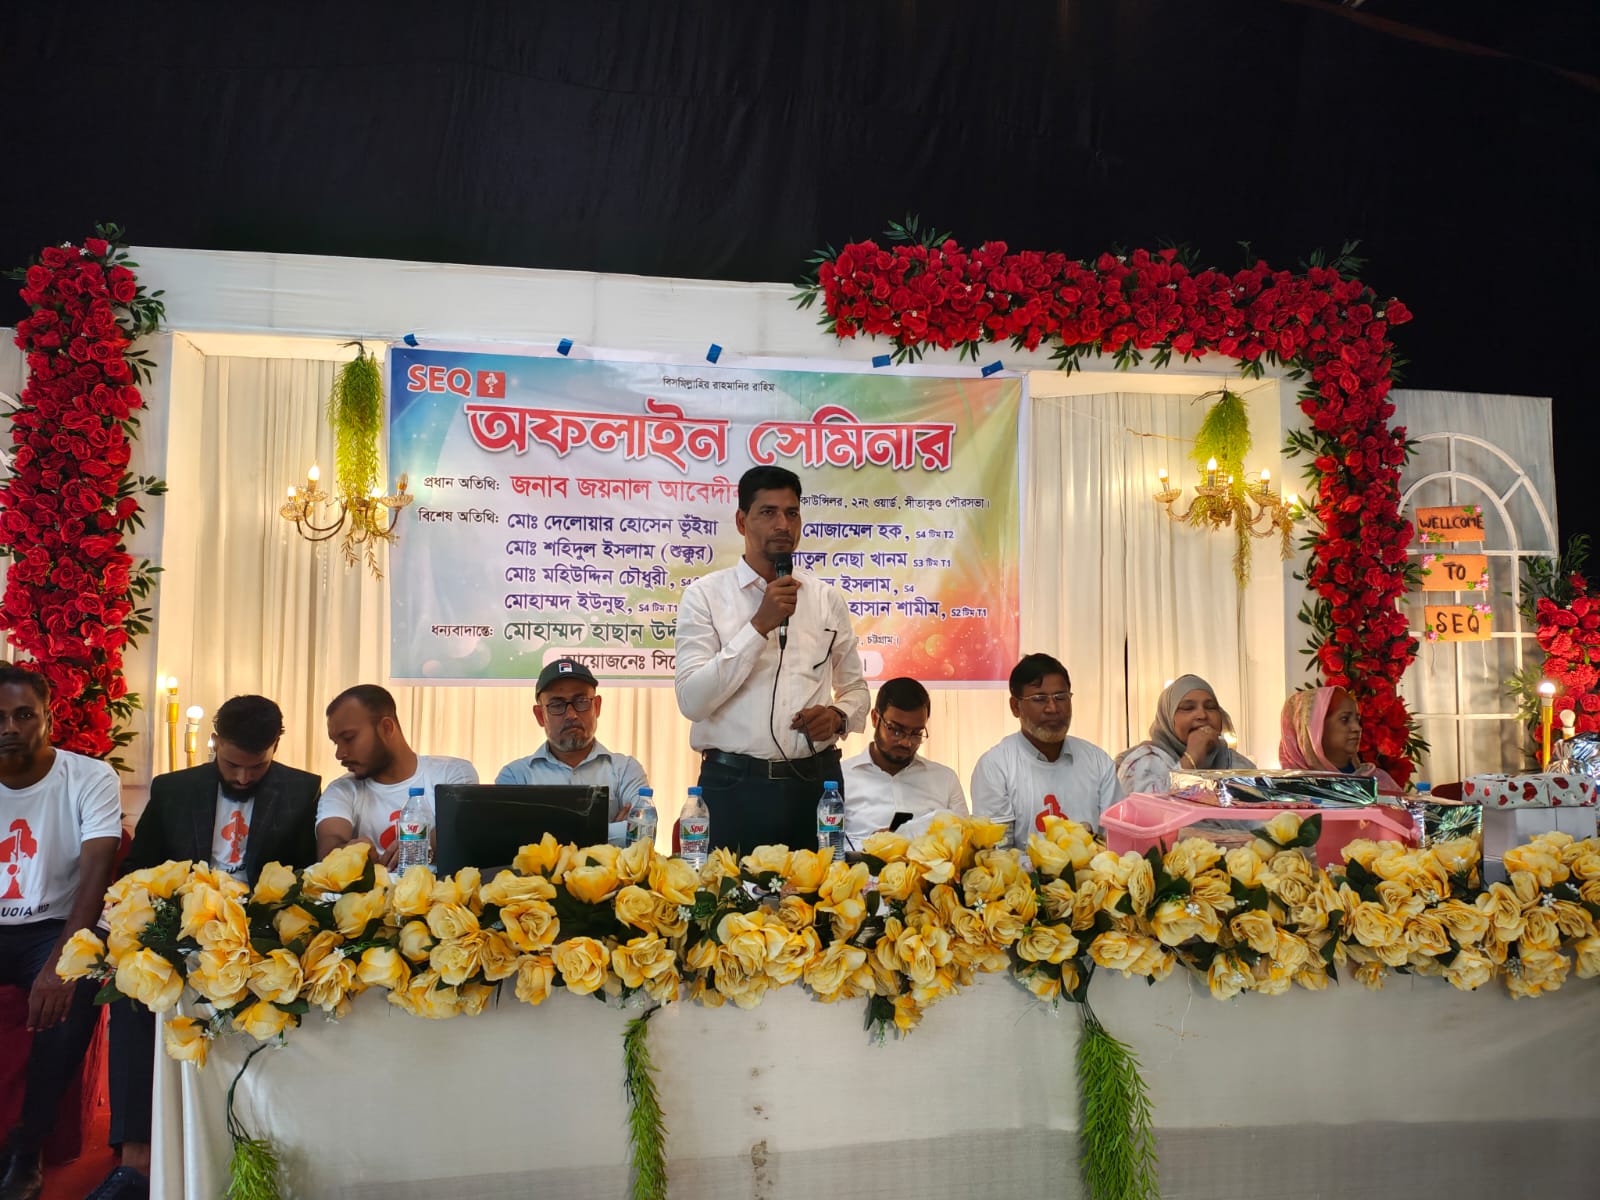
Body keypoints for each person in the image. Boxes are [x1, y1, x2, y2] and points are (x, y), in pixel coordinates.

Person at [94, 695, 320, 1200]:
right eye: (232, 764)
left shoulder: (303, 789)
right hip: (179, 928)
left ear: (277, 746)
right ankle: (135, 1157)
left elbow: (305, 878)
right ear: (215, 742)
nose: (242, 777)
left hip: (259, 936)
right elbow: (139, 869)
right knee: (132, 994)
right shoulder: (173, 789)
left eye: (256, 767)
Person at [673, 465, 869, 853]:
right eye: (768, 512)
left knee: (818, 892)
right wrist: (759, 625)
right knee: (727, 892)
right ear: (741, 521)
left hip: (815, 786)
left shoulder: (826, 599)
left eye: (791, 513)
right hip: (733, 786)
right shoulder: (705, 596)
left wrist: (838, 716)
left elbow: (856, 690)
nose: (783, 524)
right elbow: (692, 701)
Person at [0, 664, 121, 1200]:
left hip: (56, 924)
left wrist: (62, 963)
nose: (10, 727)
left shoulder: (90, 778)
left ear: (49, 719)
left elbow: (96, 876)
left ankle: (27, 1148)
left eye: (23, 714)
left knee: (82, 983)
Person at [969, 653, 1122, 846]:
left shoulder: (1097, 761)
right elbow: (996, 852)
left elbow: (1117, 839)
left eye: (1061, 697)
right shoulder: (996, 766)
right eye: (1039, 699)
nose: (1052, 708)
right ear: (1015, 706)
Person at [315, 685, 477, 864]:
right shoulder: (341, 790)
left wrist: (418, 847)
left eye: (348, 738)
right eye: (336, 743)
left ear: (387, 728)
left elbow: (459, 830)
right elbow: (328, 848)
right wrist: (346, 851)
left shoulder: (453, 773)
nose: (339, 754)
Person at [495, 658, 649, 825]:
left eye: (581, 701)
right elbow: (506, 836)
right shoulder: (516, 777)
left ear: (597, 706)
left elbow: (643, 829)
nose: (571, 715)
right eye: (557, 705)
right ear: (540, 715)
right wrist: (610, 829)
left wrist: (543, 832)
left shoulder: (625, 770)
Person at [840, 677, 966, 844]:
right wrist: (871, 846)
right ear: (875, 718)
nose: (906, 742)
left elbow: (965, 840)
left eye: (916, 733)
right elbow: (827, 845)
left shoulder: (945, 779)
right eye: (896, 730)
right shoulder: (841, 778)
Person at [1115, 674, 1256, 795]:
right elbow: (1144, 812)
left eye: (1210, 707)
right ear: (1168, 719)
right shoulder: (1144, 762)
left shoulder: (1236, 764)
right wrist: (1190, 760)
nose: (1202, 715)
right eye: (1188, 708)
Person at [1279, 686, 1401, 792]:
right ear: (1313, 729)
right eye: (1345, 719)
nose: (1357, 728)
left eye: (1357, 720)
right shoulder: (1288, 790)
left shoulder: (1379, 782)